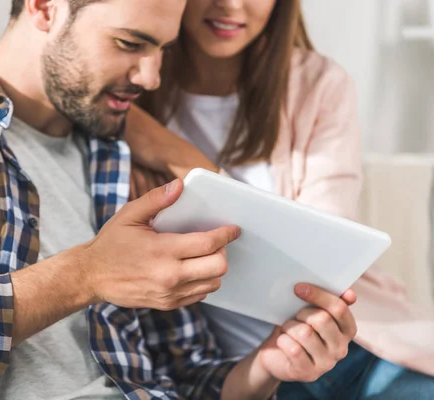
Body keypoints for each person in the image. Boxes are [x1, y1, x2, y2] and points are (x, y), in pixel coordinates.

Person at [0, 0, 359, 399]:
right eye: (130, 44)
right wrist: (85, 274)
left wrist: (269, 365)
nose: (150, 77)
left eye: (162, 50)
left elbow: (189, 373)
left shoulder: (125, 166)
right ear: (44, 8)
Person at [125, 0, 434, 398]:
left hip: (357, 345)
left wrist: (176, 155)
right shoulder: (132, 86)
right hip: (248, 376)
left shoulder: (318, 83)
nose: (231, 5)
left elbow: (321, 257)